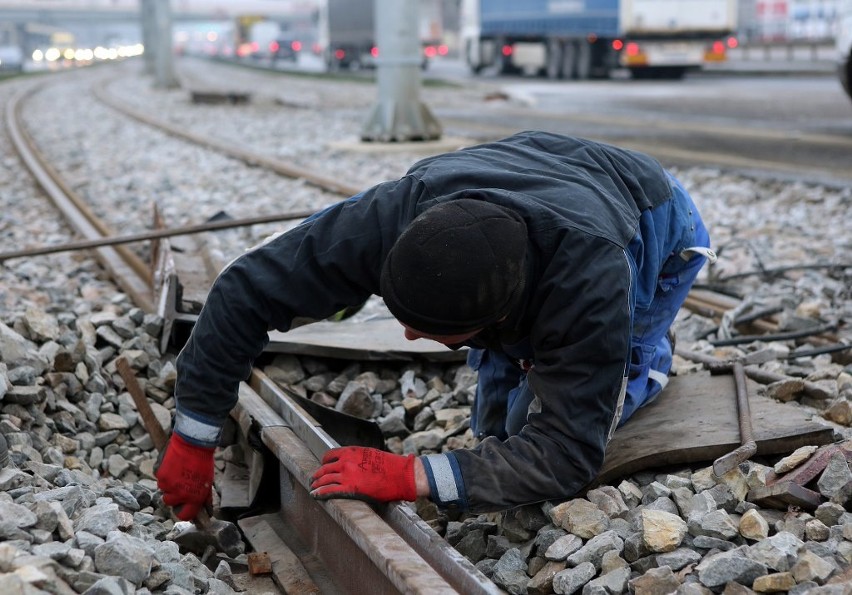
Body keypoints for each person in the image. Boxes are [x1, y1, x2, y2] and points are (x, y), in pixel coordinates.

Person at [155, 131, 715, 520]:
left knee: (535, 432)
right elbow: (244, 289)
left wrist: (411, 476)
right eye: (406, 318)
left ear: (498, 316)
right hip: (534, 183)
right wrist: (194, 431)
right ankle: (524, 355)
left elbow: (567, 453)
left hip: (651, 215)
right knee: (496, 438)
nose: (407, 338)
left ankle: (648, 357)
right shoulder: (392, 217)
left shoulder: (590, 281)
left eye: (429, 331)